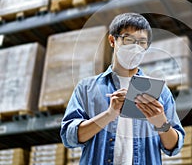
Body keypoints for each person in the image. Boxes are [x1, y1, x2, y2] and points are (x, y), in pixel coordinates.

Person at [60, 13, 185, 165]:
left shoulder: (160, 92)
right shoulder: (86, 89)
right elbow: (69, 137)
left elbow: (173, 147)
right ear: (113, 40)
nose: (135, 47)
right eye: (128, 40)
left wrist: (161, 123)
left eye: (142, 42)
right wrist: (109, 114)